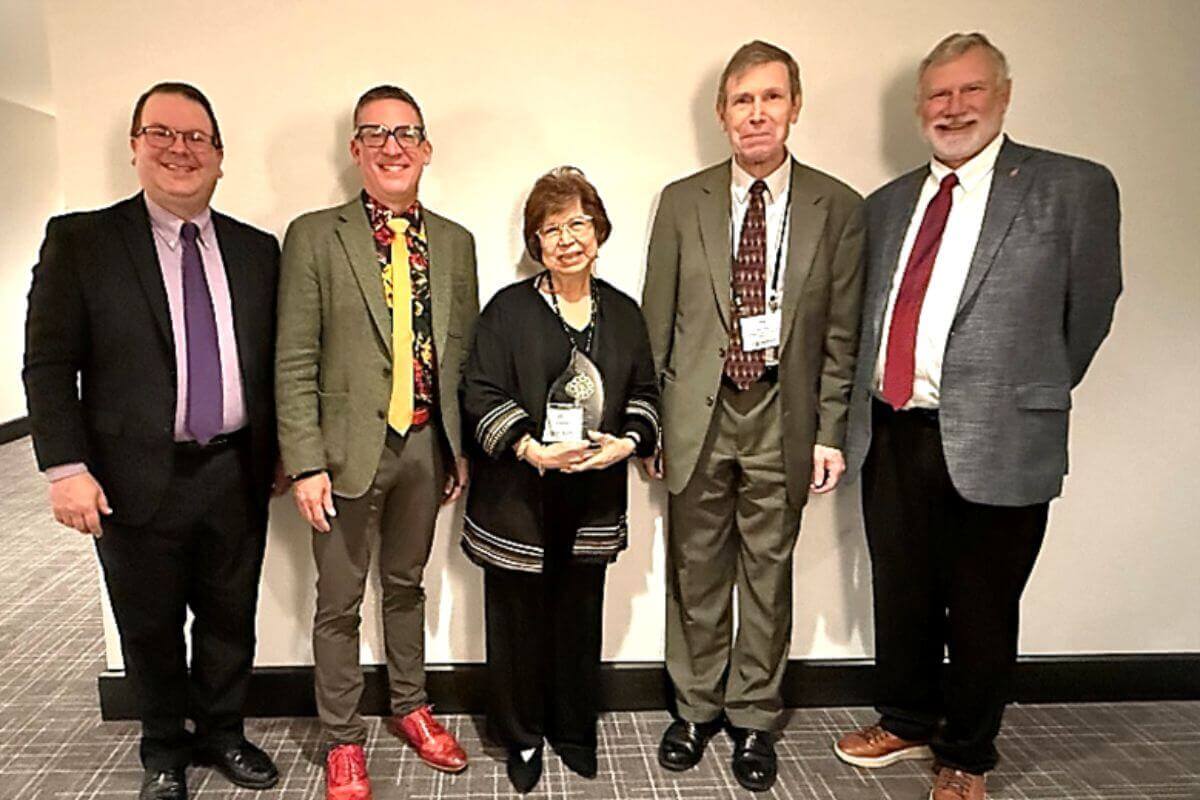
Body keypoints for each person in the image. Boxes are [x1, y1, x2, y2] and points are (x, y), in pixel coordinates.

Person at [833, 33, 1122, 800]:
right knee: (902, 589)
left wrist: (1029, 393)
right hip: (893, 428)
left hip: (1001, 436)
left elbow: (1089, 311)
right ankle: (906, 717)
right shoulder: (888, 204)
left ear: (1002, 94)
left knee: (985, 605)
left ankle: (968, 753)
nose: (953, 108)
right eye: (938, 94)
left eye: (969, 91)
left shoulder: (1070, 187)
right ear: (919, 106)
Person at [23, 82, 281, 800]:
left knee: (231, 617)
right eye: (161, 133)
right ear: (135, 147)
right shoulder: (81, 242)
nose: (179, 148)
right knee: (149, 624)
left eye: (196, 137)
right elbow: (47, 364)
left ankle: (224, 734)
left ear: (220, 158)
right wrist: (66, 467)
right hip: (132, 475)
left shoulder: (258, 251)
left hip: (236, 470)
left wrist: (288, 450)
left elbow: (274, 363)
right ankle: (164, 748)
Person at [641, 40, 865, 792]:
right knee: (695, 571)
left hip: (782, 414)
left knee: (767, 577)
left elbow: (841, 333)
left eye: (771, 97)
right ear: (722, 114)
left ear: (795, 106)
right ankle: (695, 708)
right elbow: (657, 323)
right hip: (698, 418)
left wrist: (829, 431)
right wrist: (653, 425)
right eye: (742, 100)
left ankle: (754, 720)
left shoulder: (839, 206)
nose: (757, 113)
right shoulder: (683, 200)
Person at [275, 85, 478, 800]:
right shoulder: (313, 235)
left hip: (425, 447)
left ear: (425, 149)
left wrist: (458, 449)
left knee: (406, 587)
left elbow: (459, 355)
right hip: (340, 454)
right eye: (375, 133)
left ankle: (411, 706)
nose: (392, 146)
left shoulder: (456, 243)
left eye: (406, 133)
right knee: (336, 602)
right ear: (356, 150)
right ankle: (342, 740)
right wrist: (303, 462)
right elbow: (294, 357)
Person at [460, 167, 659, 794]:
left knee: (580, 614)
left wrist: (626, 443)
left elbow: (647, 392)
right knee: (515, 619)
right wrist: (527, 446)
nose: (566, 238)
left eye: (577, 223)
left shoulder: (624, 313)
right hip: (518, 494)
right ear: (535, 242)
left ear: (598, 231)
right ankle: (520, 737)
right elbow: (478, 387)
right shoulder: (508, 309)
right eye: (550, 228)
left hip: (594, 493)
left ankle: (573, 730)